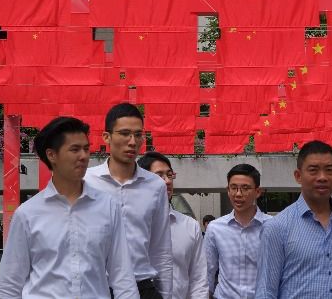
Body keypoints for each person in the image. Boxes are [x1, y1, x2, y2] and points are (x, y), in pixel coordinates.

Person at [0, 116, 138, 299]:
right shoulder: (28, 214)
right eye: (75, 149)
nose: (84, 156)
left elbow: (122, 276)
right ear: (52, 155)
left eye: (86, 148)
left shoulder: (108, 207)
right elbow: (8, 285)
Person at [255, 140, 332, 299]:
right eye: (313, 170)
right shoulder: (277, 227)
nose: (322, 177)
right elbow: (266, 291)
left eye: (329, 170)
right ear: (298, 176)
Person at [86, 103, 174, 299]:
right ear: (106, 137)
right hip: (96, 286)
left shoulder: (155, 186)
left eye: (138, 134)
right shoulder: (85, 181)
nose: (132, 141)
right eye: (125, 133)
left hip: (142, 285)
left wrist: (166, 294)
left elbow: (161, 249)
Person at [139, 151, 208, 299]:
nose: (167, 181)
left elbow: (198, 279)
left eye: (169, 175)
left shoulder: (190, 226)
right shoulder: (129, 225)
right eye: (159, 176)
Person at [206, 163, 272, 299]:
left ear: (258, 192)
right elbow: (207, 271)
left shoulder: (273, 226)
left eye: (245, 188)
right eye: (234, 188)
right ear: (228, 190)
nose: (238, 194)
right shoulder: (215, 228)